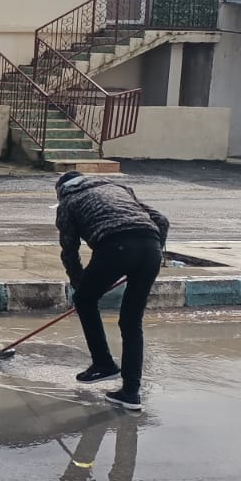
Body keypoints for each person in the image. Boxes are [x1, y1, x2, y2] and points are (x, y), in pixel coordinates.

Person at [56, 170, 169, 411]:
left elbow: (69, 250)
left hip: (115, 246)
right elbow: (161, 220)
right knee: (131, 322)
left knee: (85, 301)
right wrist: (157, 251)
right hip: (151, 248)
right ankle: (130, 393)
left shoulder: (68, 202)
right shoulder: (119, 188)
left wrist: (81, 288)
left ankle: (103, 364)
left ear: (61, 190)